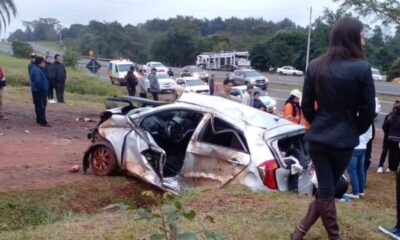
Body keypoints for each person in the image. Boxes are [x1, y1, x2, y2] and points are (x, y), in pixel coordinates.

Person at [292, 17, 375, 240]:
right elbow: (368, 111)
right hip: (343, 140)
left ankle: (298, 233)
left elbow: (306, 105)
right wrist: (354, 130)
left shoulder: (314, 65)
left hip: (317, 138)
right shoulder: (362, 68)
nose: (363, 39)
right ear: (352, 37)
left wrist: (319, 122)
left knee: (326, 191)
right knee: (328, 190)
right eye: (361, 34)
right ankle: (334, 237)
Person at [346, 125, 372, 199]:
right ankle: (361, 191)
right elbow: (369, 135)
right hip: (363, 147)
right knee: (360, 170)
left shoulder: (352, 117)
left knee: (352, 171)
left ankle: (355, 192)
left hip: (353, 147)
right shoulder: (367, 118)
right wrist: (363, 142)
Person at [378, 99, 400, 173]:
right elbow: (384, 127)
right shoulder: (389, 116)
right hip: (388, 137)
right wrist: (388, 134)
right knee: (385, 150)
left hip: (396, 138)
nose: (397, 103)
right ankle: (380, 166)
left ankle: (390, 167)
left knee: (394, 152)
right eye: (396, 102)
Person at [29, 56, 50, 127]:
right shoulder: (36, 70)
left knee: (38, 105)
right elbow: (37, 81)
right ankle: (43, 121)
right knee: (41, 106)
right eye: (43, 62)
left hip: (37, 90)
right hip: (39, 91)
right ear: (40, 63)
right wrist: (43, 88)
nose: (45, 64)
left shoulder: (36, 68)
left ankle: (39, 119)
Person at [384, 101, 400, 172]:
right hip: (398, 139)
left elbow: (385, 126)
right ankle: (395, 168)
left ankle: (390, 167)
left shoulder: (391, 116)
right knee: (397, 153)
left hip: (390, 137)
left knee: (391, 153)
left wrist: (388, 134)